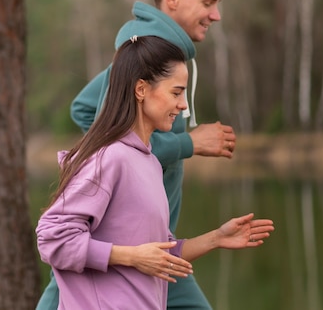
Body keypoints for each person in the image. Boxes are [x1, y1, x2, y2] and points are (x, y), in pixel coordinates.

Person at [37, 0, 238, 309]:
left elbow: (86, 108)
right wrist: (185, 143)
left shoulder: (158, 56)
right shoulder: (153, 54)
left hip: (151, 249)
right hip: (122, 252)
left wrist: (215, 238)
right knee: (65, 288)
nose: (216, 15)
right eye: (208, 2)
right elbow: (55, 239)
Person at [36, 35, 274, 310]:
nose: (183, 104)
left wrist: (216, 238)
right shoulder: (108, 157)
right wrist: (130, 256)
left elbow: (159, 253)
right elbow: (52, 238)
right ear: (141, 90)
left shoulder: (148, 161)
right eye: (176, 92)